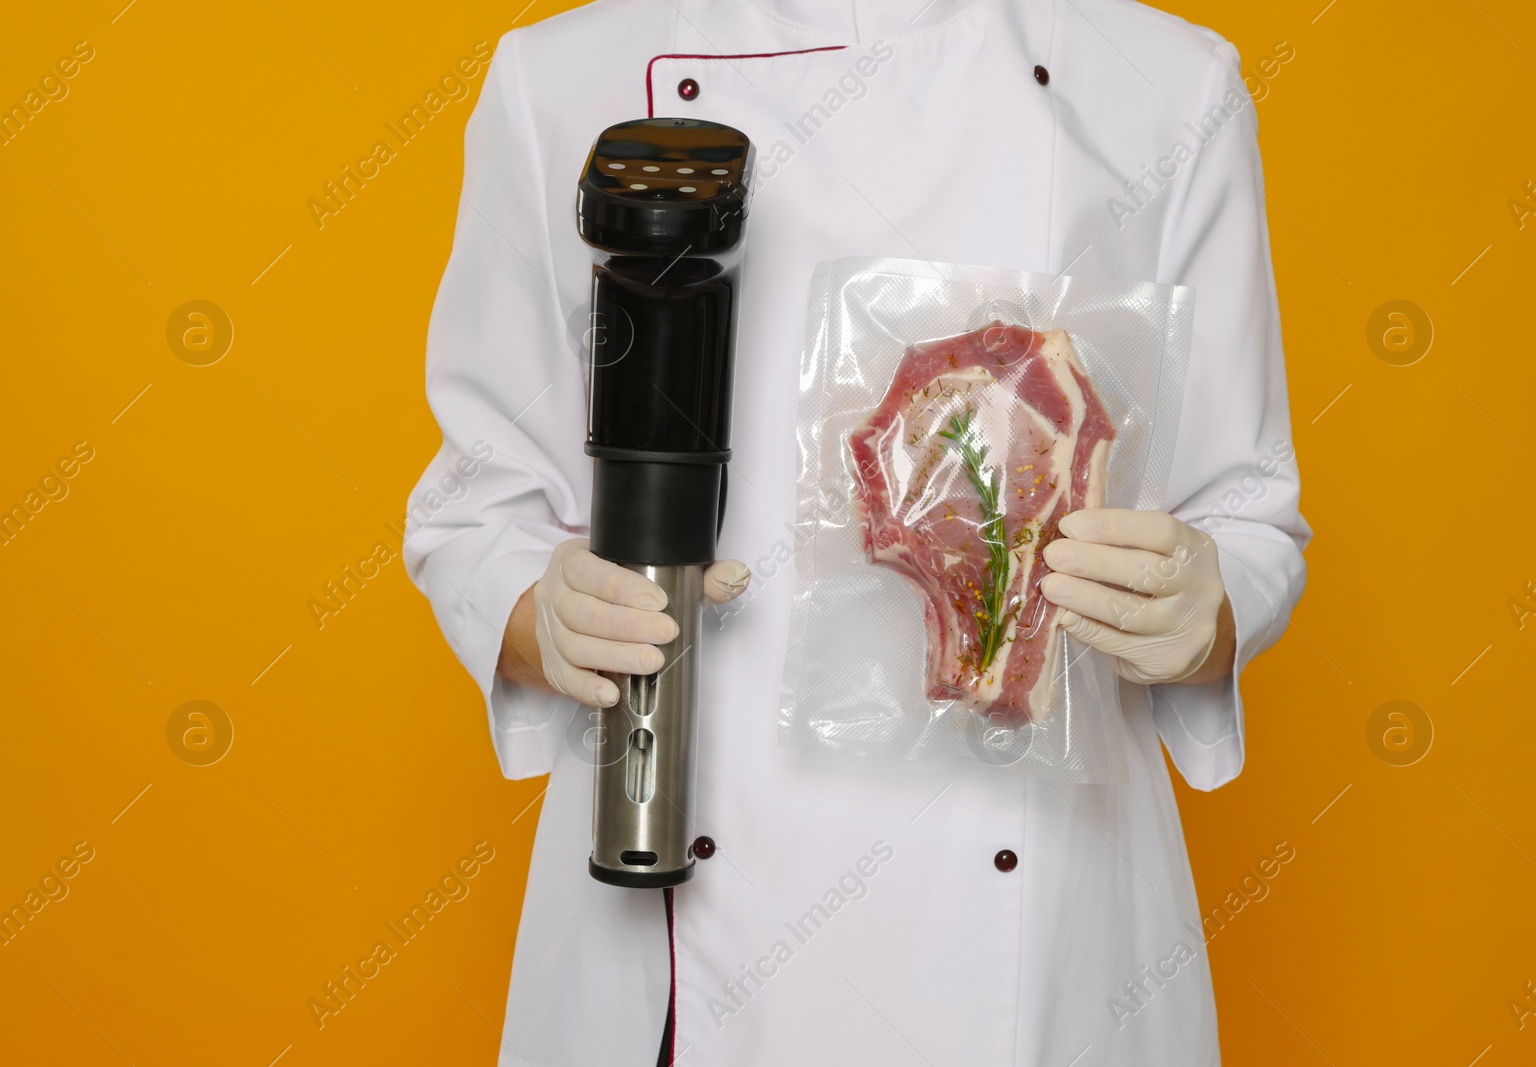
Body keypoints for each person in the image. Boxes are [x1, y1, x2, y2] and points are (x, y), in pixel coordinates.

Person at [404, 0, 1310, 1062]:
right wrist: (538, 612)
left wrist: (1203, 609)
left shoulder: (1164, 82)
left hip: (1040, 928)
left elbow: (1244, 515)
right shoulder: (562, 77)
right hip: (672, 896)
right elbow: (473, 510)